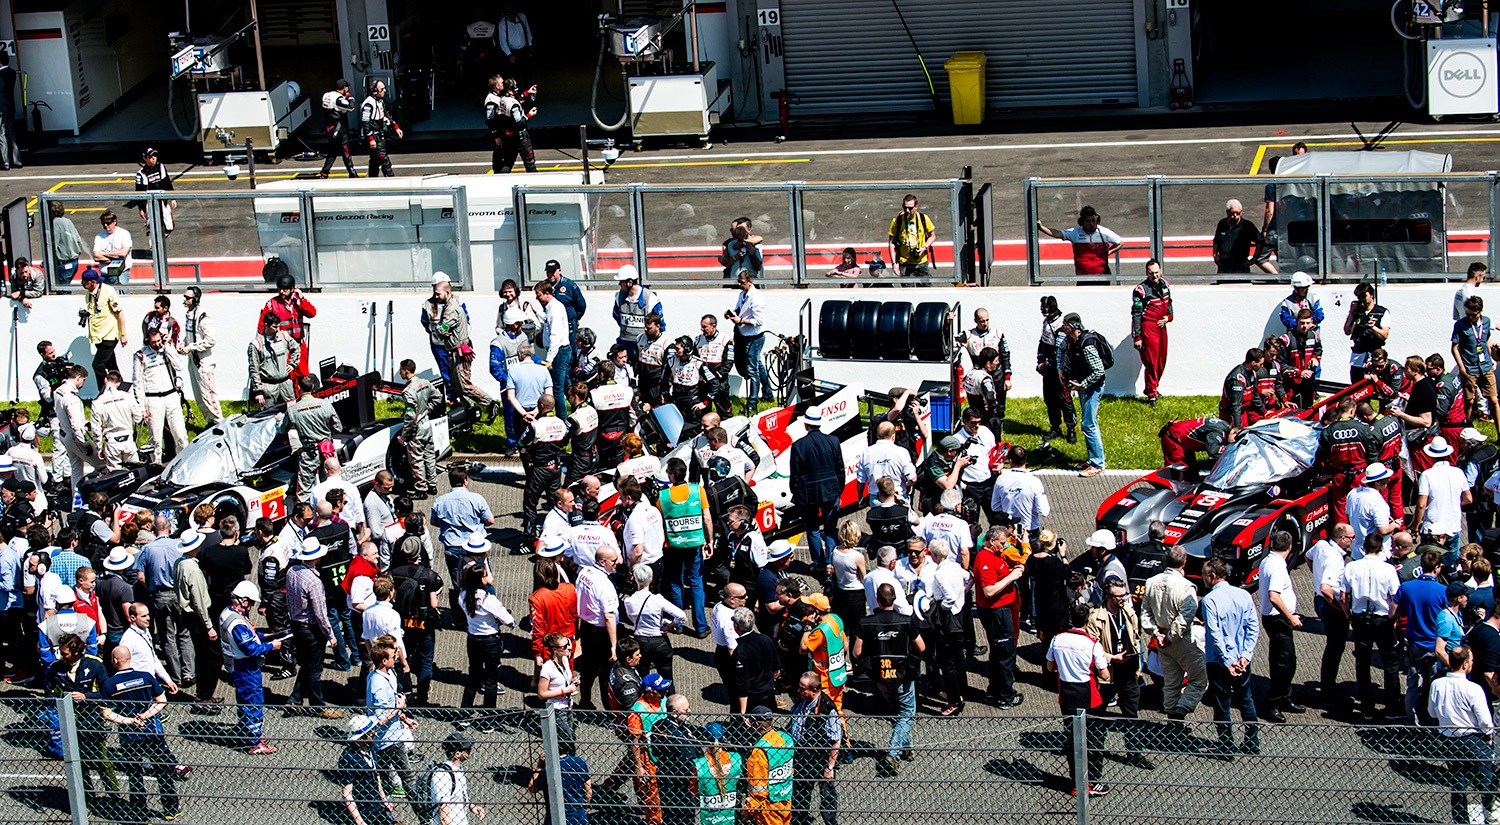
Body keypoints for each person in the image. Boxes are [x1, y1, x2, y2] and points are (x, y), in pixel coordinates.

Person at [101, 646, 188, 820]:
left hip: (129, 736)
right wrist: (145, 715)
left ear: (115, 660)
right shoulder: (146, 677)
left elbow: (107, 713)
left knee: (134, 775)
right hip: (152, 732)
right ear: (129, 658)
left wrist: (130, 720)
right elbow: (161, 701)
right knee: (162, 771)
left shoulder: (110, 684)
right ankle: (171, 809)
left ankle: (140, 813)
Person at [853, 581, 922, 772]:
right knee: (907, 713)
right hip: (902, 674)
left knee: (894, 712)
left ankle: (904, 747)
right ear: (895, 598)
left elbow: (857, 652)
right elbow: (921, 647)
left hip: (880, 674)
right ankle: (893, 752)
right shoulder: (906, 621)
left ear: (877, 599)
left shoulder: (865, 622)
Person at [1046, 602, 1110, 796]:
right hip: (1088, 696)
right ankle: (1091, 780)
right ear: (1087, 621)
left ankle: (1077, 781)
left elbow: (1050, 668)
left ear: (1070, 619)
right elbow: (1105, 675)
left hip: (1066, 695)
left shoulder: (1057, 639)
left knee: (1073, 739)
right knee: (1094, 740)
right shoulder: (1092, 644)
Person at [1429, 645, 1495, 825]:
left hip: (1448, 740)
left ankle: (1460, 821)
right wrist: (1488, 736)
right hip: (1473, 741)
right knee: (1486, 783)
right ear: (1465, 665)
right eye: (1471, 660)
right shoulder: (1474, 689)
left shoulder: (1437, 684)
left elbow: (1432, 712)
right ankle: (1491, 818)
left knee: (1458, 784)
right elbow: (1485, 722)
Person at [1201, 559, 1260, 757]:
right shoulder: (1243, 595)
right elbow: (1253, 628)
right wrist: (1245, 655)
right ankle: (1252, 741)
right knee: (1245, 699)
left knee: (1221, 703)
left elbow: (1214, 634)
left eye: (1204, 575)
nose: (1203, 579)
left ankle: (1226, 745)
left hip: (1219, 662)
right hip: (1241, 660)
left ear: (1212, 576)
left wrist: (1227, 662)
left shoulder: (1210, 600)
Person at [219, 580, 282, 754]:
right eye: (252, 603)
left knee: (244, 700)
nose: (252, 606)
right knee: (253, 702)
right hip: (245, 666)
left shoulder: (228, 613)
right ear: (244, 601)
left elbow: (249, 634)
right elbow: (251, 648)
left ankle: (245, 732)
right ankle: (255, 742)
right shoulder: (237, 623)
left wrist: (265, 636)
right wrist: (271, 646)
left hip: (236, 663)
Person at [429, 273, 500, 421]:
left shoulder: (451, 310)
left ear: (447, 292)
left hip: (460, 351)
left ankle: (490, 403)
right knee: (457, 385)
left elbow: (441, 329)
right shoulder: (448, 306)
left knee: (464, 385)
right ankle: (470, 411)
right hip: (453, 351)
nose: (435, 296)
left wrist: (441, 330)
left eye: (438, 293)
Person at [658, 458, 713, 637]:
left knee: (676, 582)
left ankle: (678, 623)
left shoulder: (662, 496)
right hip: (695, 543)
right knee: (696, 583)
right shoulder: (698, 490)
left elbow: (660, 524)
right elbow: (707, 517)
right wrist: (709, 540)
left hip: (673, 545)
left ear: (672, 475)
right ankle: (701, 627)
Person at [286, 538, 340, 717]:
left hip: (296, 623)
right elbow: (320, 613)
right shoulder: (314, 582)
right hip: (311, 628)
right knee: (315, 668)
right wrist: (330, 634)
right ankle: (318, 706)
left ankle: (295, 699)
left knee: (308, 663)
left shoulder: (292, 571)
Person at [973, 525, 1024, 708]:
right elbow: (989, 591)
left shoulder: (992, 557)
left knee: (998, 652)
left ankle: (994, 691)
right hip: (996, 612)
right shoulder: (985, 561)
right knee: (1005, 654)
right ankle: (1005, 696)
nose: (1004, 547)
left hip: (999, 610)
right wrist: (1012, 577)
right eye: (1002, 543)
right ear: (991, 541)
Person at [790, 409, 844, 573]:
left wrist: (796, 494)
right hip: (831, 491)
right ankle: (830, 563)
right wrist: (839, 489)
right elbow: (840, 469)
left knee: (812, 529)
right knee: (830, 527)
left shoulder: (798, 445)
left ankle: (819, 563)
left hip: (808, 495)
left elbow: (795, 475)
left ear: (806, 424)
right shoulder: (833, 441)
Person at [1257, 531, 1303, 722]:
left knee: (1285, 660)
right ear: (1290, 546)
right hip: (1278, 620)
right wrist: (1290, 617)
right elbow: (1274, 596)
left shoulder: (1269, 561)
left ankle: (1284, 697)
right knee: (1284, 664)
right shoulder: (1276, 567)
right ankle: (1271, 704)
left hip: (1276, 619)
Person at [1307, 523, 1354, 707]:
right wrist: (1341, 608)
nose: (1352, 541)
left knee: (1333, 647)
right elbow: (1326, 588)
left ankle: (1328, 687)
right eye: (1351, 538)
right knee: (1335, 649)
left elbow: (1308, 558)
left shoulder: (1321, 545)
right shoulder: (1335, 559)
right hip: (1330, 605)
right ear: (1342, 539)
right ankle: (1328, 691)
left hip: (1319, 601)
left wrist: (1316, 576)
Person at [458, 565, 515, 712]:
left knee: (473, 677)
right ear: (480, 579)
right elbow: (509, 620)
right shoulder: (488, 599)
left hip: (473, 639)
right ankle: (488, 717)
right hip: (490, 641)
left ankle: (465, 712)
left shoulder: (463, 596)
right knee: (490, 680)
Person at [788, 671, 842, 825]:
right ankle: (800, 819)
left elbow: (836, 739)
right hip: (802, 757)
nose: (798, 690)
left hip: (820, 759)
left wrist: (830, 767)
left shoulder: (826, 708)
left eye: (802, 688)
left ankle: (830, 821)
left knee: (827, 793)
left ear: (814, 691)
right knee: (800, 792)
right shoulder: (801, 700)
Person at [1058, 312, 1108, 476]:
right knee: (1088, 423)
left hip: (1092, 387)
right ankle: (1093, 459)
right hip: (1082, 385)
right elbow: (1060, 351)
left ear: (1073, 326)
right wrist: (1060, 369)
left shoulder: (1087, 345)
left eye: (1065, 323)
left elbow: (1099, 371)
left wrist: (1082, 385)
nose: (1062, 325)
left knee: (1089, 424)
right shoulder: (1070, 340)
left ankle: (1097, 463)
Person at [132, 326, 188, 463]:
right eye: (153, 342)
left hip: (171, 395)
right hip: (152, 398)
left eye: (158, 341)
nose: (157, 344)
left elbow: (179, 366)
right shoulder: (140, 355)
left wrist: (168, 346)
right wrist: (142, 407)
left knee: (181, 435)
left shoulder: (165, 350)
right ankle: (155, 467)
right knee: (155, 439)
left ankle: (184, 462)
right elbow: (137, 383)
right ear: (147, 341)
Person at [625, 564, 685, 685]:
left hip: (641, 642)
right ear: (651, 580)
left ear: (635, 579)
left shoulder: (629, 601)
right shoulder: (658, 599)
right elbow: (681, 615)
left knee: (643, 680)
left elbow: (634, 619)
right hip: (660, 642)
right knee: (667, 680)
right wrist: (669, 625)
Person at [577, 547, 621, 710]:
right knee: (606, 673)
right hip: (601, 632)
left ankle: (585, 700)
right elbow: (609, 616)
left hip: (586, 626)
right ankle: (610, 710)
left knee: (587, 668)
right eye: (614, 562)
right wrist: (613, 646)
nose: (617, 564)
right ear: (603, 562)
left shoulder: (584, 572)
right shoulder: (605, 585)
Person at [175, 285, 223, 425]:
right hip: (193, 359)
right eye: (184, 297)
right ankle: (210, 422)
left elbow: (211, 340)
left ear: (195, 299)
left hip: (203, 360)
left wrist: (190, 347)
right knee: (198, 396)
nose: (184, 300)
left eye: (187, 298)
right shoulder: (189, 314)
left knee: (208, 394)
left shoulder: (203, 316)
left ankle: (220, 422)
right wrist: (183, 345)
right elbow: (191, 336)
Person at [396, 359, 444, 498]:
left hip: (416, 430)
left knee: (416, 459)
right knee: (429, 456)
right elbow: (438, 397)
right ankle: (432, 485)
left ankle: (421, 489)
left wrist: (404, 436)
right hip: (427, 425)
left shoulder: (408, 391)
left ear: (406, 371)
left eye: (400, 371)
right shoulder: (425, 382)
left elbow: (410, 416)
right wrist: (427, 410)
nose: (399, 374)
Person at [1455, 294, 1500, 438]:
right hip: (1469, 367)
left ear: (1480, 312)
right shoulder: (1461, 325)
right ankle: (1467, 428)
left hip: (1485, 366)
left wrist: (1492, 358)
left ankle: (1499, 432)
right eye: (1468, 314)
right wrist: (1462, 368)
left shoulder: (1486, 322)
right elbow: (1455, 347)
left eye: (1473, 315)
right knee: (1469, 400)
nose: (1470, 317)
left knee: (1493, 399)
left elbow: (1486, 340)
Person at [726, 271, 772, 410]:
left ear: (750, 282)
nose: (739, 285)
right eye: (739, 282)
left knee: (752, 370)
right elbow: (738, 309)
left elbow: (758, 321)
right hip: (744, 334)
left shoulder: (757, 298)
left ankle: (752, 404)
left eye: (742, 282)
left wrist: (741, 321)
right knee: (757, 365)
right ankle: (768, 394)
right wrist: (731, 314)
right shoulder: (742, 294)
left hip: (754, 336)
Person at [263, 270, 318, 387]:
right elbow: (262, 325)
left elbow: (312, 313)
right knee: (285, 377)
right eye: (279, 289)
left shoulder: (298, 301)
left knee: (303, 377)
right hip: (281, 347)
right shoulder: (271, 303)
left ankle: (303, 402)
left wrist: (302, 299)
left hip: (298, 345)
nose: (281, 292)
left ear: (292, 289)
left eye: (285, 289)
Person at [1416, 436, 1471, 550]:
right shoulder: (1459, 472)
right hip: (1453, 526)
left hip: (1432, 528)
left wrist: (1415, 528)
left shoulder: (1427, 475)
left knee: (1430, 562)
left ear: (1431, 456)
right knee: (1451, 564)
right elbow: (1468, 499)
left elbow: (1421, 504)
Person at [337, 714, 394, 825]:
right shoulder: (348, 758)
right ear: (363, 736)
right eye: (372, 733)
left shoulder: (370, 747)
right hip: (362, 810)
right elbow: (347, 793)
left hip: (377, 805)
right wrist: (360, 822)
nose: (375, 734)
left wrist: (384, 799)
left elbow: (376, 776)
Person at [1035, 205, 1122, 277]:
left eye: (1093, 220)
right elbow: (1057, 234)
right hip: (1083, 276)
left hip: (1102, 274)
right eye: (1088, 221)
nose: (1092, 224)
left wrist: (1109, 252)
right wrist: (1042, 227)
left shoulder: (1104, 232)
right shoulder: (1075, 233)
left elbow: (1120, 242)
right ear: (1082, 222)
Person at [743, 706, 794, 825]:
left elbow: (757, 790)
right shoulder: (786, 739)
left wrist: (745, 813)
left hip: (768, 807)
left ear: (755, 724)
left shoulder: (759, 752)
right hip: (785, 799)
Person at [1131, 259, 1173, 405]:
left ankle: (1154, 387)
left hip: (1162, 327)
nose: (1154, 276)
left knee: (1162, 360)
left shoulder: (1165, 284)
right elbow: (1136, 314)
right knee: (1151, 362)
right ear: (1146, 273)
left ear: (1160, 271)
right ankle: (1151, 394)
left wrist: (1168, 317)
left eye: (1156, 273)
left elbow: (1170, 304)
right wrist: (1137, 336)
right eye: (1151, 273)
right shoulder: (1140, 290)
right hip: (1148, 328)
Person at [1036, 296, 1077, 443]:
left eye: (1045, 308)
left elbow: (1059, 349)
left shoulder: (1061, 324)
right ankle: (1055, 427)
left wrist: (1046, 364)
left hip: (1060, 367)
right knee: (1049, 398)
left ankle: (1071, 429)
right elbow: (1042, 342)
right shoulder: (1046, 322)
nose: (1043, 311)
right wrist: (1040, 360)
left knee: (1064, 399)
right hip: (1047, 369)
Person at [82, 269, 126, 388]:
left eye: (84, 281)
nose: (82, 283)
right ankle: (122, 389)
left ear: (92, 282)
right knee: (112, 366)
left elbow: (119, 312)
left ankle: (103, 391)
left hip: (109, 335)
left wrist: (123, 334)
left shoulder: (107, 291)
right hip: (98, 336)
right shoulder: (89, 293)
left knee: (97, 365)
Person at [248, 310, 301, 410]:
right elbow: (253, 369)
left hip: (285, 384)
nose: (278, 329)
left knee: (293, 411)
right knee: (266, 415)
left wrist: (292, 364)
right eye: (275, 327)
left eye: (278, 326)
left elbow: (296, 348)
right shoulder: (256, 344)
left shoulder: (283, 336)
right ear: (266, 325)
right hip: (268, 386)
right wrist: (258, 392)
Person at [431, 731, 487, 825]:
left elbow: (459, 795)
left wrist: (471, 806)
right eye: (467, 749)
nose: (470, 749)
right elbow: (444, 818)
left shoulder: (457, 768)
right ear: (457, 754)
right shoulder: (443, 776)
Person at [693, 723, 742, 825]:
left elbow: (694, 791)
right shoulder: (736, 759)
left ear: (705, 740)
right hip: (733, 816)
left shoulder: (700, 764)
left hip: (711, 818)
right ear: (723, 738)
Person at [613, 265, 665, 354]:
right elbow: (617, 316)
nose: (619, 284)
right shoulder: (619, 296)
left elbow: (660, 326)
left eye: (621, 281)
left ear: (629, 282)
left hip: (644, 347)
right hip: (624, 344)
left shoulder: (650, 299)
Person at [1279, 308, 1323, 410]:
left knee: (1308, 410)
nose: (1304, 326)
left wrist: (1315, 358)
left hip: (1308, 381)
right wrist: (1299, 372)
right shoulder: (1286, 339)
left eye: (1308, 323)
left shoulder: (1314, 335)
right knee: (1293, 413)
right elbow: (1280, 365)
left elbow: (1318, 350)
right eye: (1302, 323)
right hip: (1291, 383)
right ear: (1296, 320)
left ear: (1312, 322)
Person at [131, 147, 176, 241]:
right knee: (153, 226)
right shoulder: (141, 173)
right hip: (149, 203)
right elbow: (139, 192)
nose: (153, 158)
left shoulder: (161, 167)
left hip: (162, 200)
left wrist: (173, 198)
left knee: (170, 226)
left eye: (155, 155)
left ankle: (160, 239)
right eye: (150, 156)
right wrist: (141, 209)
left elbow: (167, 182)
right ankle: (153, 246)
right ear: (145, 158)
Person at [360, 78, 402, 177]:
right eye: (382, 89)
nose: (384, 91)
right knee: (384, 160)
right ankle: (391, 180)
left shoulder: (379, 101)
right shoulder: (368, 103)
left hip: (379, 133)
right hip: (373, 134)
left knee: (375, 160)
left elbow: (385, 114)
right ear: (375, 91)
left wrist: (396, 127)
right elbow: (365, 122)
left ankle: (372, 179)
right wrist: (371, 139)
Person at [319, 79, 358, 178]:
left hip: (329, 128)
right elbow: (351, 107)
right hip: (339, 129)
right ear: (344, 88)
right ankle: (352, 172)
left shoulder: (326, 95)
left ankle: (324, 172)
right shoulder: (338, 98)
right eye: (347, 88)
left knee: (333, 150)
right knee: (345, 151)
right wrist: (349, 97)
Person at [1212, 199, 1263, 274]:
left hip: (1241, 267)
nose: (1235, 216)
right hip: (1224, 267)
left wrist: (1253, 260)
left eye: (1237, 213)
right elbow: (1216, 241)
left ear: (1241, 212)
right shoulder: (1222, 223)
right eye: (1232, 213)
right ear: (1227, 212)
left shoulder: (1247, 225)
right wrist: (1215, 255)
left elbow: (1260, 242)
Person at [48, 202, 89, 285]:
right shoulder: (68, 221)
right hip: (74, 262)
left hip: (64, 263)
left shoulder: (55, 223)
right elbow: (77, 239)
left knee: (63, 289)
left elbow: (53, 244)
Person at [91, 211, 133, 284]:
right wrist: (116, 260)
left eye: (108, 223)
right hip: (105, 274)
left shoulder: (124, 234)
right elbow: (96, 257)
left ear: (114, 221)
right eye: (103, 223)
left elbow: (123, 253)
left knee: (120, 294)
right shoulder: (99, 237)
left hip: (120, 274)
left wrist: (104, 254)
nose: (105, 225)